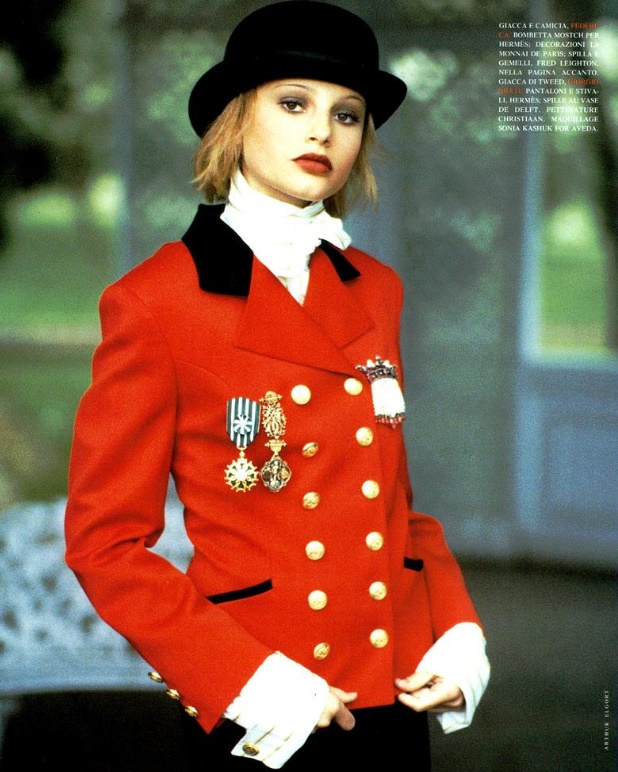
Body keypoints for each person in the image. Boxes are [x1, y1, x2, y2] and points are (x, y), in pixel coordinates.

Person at [64, 1, 490, 768]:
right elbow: (105, 546)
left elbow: (395, 507)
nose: (322, 132)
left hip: (393, 693)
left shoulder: (376, 290)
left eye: (347, 114)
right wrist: (249, 680)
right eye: (294, 104)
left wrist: (455, 634)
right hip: (262, 705)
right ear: (235, 120)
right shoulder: (157, 301)